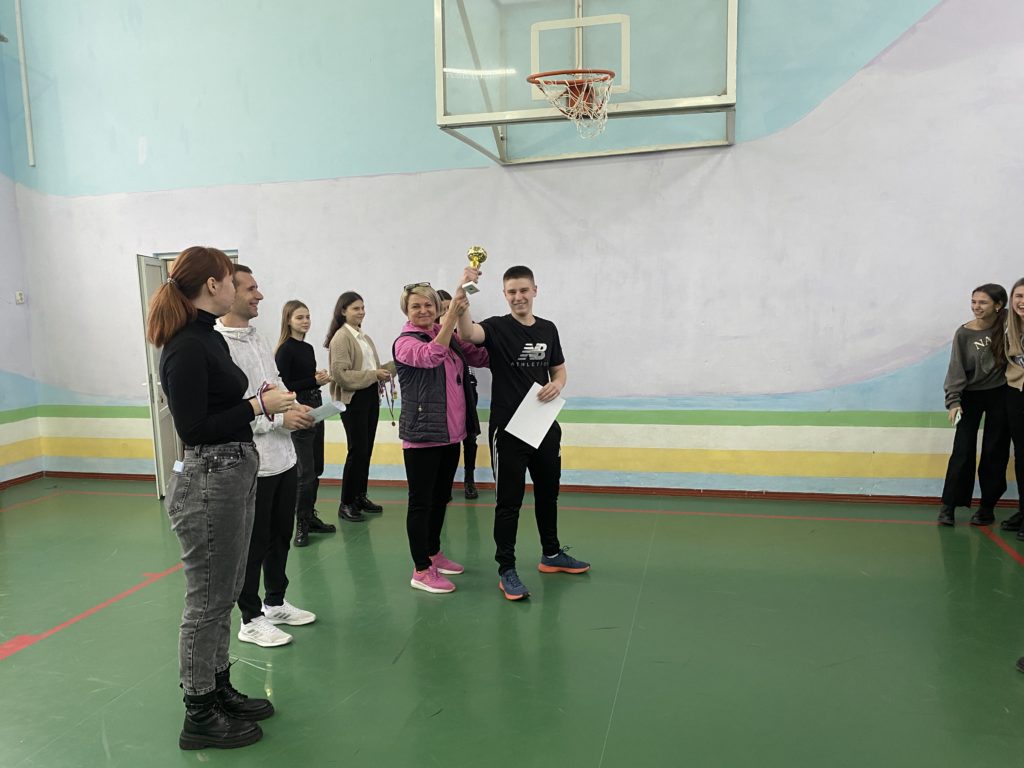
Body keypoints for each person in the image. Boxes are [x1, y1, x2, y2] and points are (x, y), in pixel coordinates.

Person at [147, 246, 294, 750]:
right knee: (207, 600)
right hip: (210, 477)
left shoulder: (207, 337)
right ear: (213, 284)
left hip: (232, 472)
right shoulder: (186, 346)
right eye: (233, 280)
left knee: (225, 591)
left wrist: (257, 402)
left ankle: (217, 687)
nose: (241, 289)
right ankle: (199, 712)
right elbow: (193, 428)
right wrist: (257, 405)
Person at [456, 264, 590, 601]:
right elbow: (468, 334)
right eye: (512, 292)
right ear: (505, 294)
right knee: (509, 503)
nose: (518, 297)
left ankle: (551, 554)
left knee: (548, 494)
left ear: (534, 291)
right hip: (508, 431)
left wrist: (557, 384)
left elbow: (559, 369)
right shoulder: (497, 328)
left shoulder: (548, 329)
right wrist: (465, 290)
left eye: (523, 290)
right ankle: (507, 569)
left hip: (544, 426)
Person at [217, 266, 319, 648]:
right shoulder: (218, 345)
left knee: (279, 535)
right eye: (250, 288)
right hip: (251, 464)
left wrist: (293, 407)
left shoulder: (258, 338)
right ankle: (250, 618)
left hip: (283, 457)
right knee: (253, 544)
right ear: (228, 292)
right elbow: (231, 410)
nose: (259, 295)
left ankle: (275, 602)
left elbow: (275, 386)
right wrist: (277, 417)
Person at [394, 283, 489, 593]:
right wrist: (450, 320)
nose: (423, 310)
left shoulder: (444, 333)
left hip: (451, 434)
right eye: (416, 306)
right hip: (423, 436)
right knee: (420, 503)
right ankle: (421, 569)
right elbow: (431, 355)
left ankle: (434, 552)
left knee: (440, 498)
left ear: (436, 307)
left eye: (428, 305)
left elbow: (477, 355)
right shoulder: (405, 342)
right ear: (406, 311)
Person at [937, 283, 1010, 526]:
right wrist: (953, 401)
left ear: (998, 305)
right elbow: (955, 369)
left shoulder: (1008, 324)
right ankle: (949, 506)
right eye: (973, 301)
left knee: (994, 450)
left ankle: (987, 507)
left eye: (983, 302)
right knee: (963, 450)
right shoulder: (964, 333)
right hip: (970, 394)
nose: (976, 307)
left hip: (1000, 393)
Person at [326, 291, 391, 522]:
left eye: (363, 307)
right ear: (343, 311)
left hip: (369, 396)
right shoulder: (341, 338)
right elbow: (341, 375)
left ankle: (359, 497)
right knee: (357, 451)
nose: (361, 312)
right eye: (356, 308)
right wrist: (374, 375)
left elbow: (372, 370)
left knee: (366, 450)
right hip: (354, 400)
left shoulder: (364, 337)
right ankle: (346, 503)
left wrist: (395, 365)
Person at [275, 300, 336, 546]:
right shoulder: (285, 350)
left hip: (315, 407)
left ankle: (310, 517)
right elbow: (285, 386)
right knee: (305, 473)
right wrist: (313, 381)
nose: (305, 321)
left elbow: (306, 379)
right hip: (299, 410)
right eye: (300, 317)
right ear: (288, 320)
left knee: (317, 467)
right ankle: (300, 523)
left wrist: (318, 378)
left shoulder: (308, 348)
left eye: (308, 317)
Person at [438, 289, 481, 499]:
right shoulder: (434, 335)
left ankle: (469, 479)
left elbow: (478, 353)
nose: (448, 312)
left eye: (450, 307)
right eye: (443, 309)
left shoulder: (465, 330)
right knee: (448, 440)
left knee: (470, 438)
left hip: (468, 388)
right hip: (445, 392)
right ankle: (444, 482)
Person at [1002, 278, 1024, 538]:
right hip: (1016, 392)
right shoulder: (1010, 326)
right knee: (1021, 455)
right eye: (1018, 296)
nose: (1022, 302)